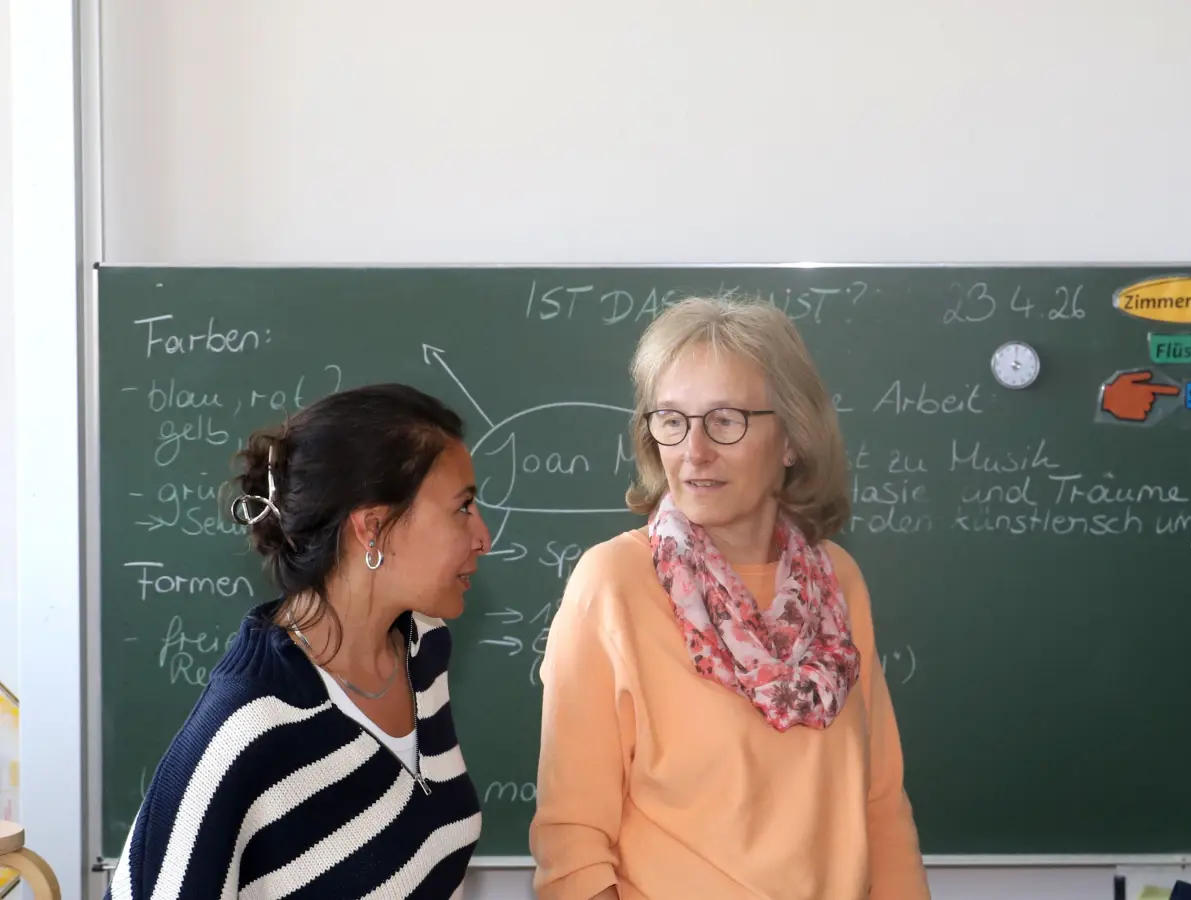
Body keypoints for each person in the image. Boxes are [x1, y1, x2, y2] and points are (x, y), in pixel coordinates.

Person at [530, 296, 930, 900]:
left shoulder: (837, 581)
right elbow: (572, 848)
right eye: (671, 419)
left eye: (726, 420)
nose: (694, 452)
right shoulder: (612, 583)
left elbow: (880, 803)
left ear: (792, 437)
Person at [105, 383, 491, 900]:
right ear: (373, 528)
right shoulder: (247, 727)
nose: (483, 536)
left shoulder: (424, 651)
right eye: (462, 508)